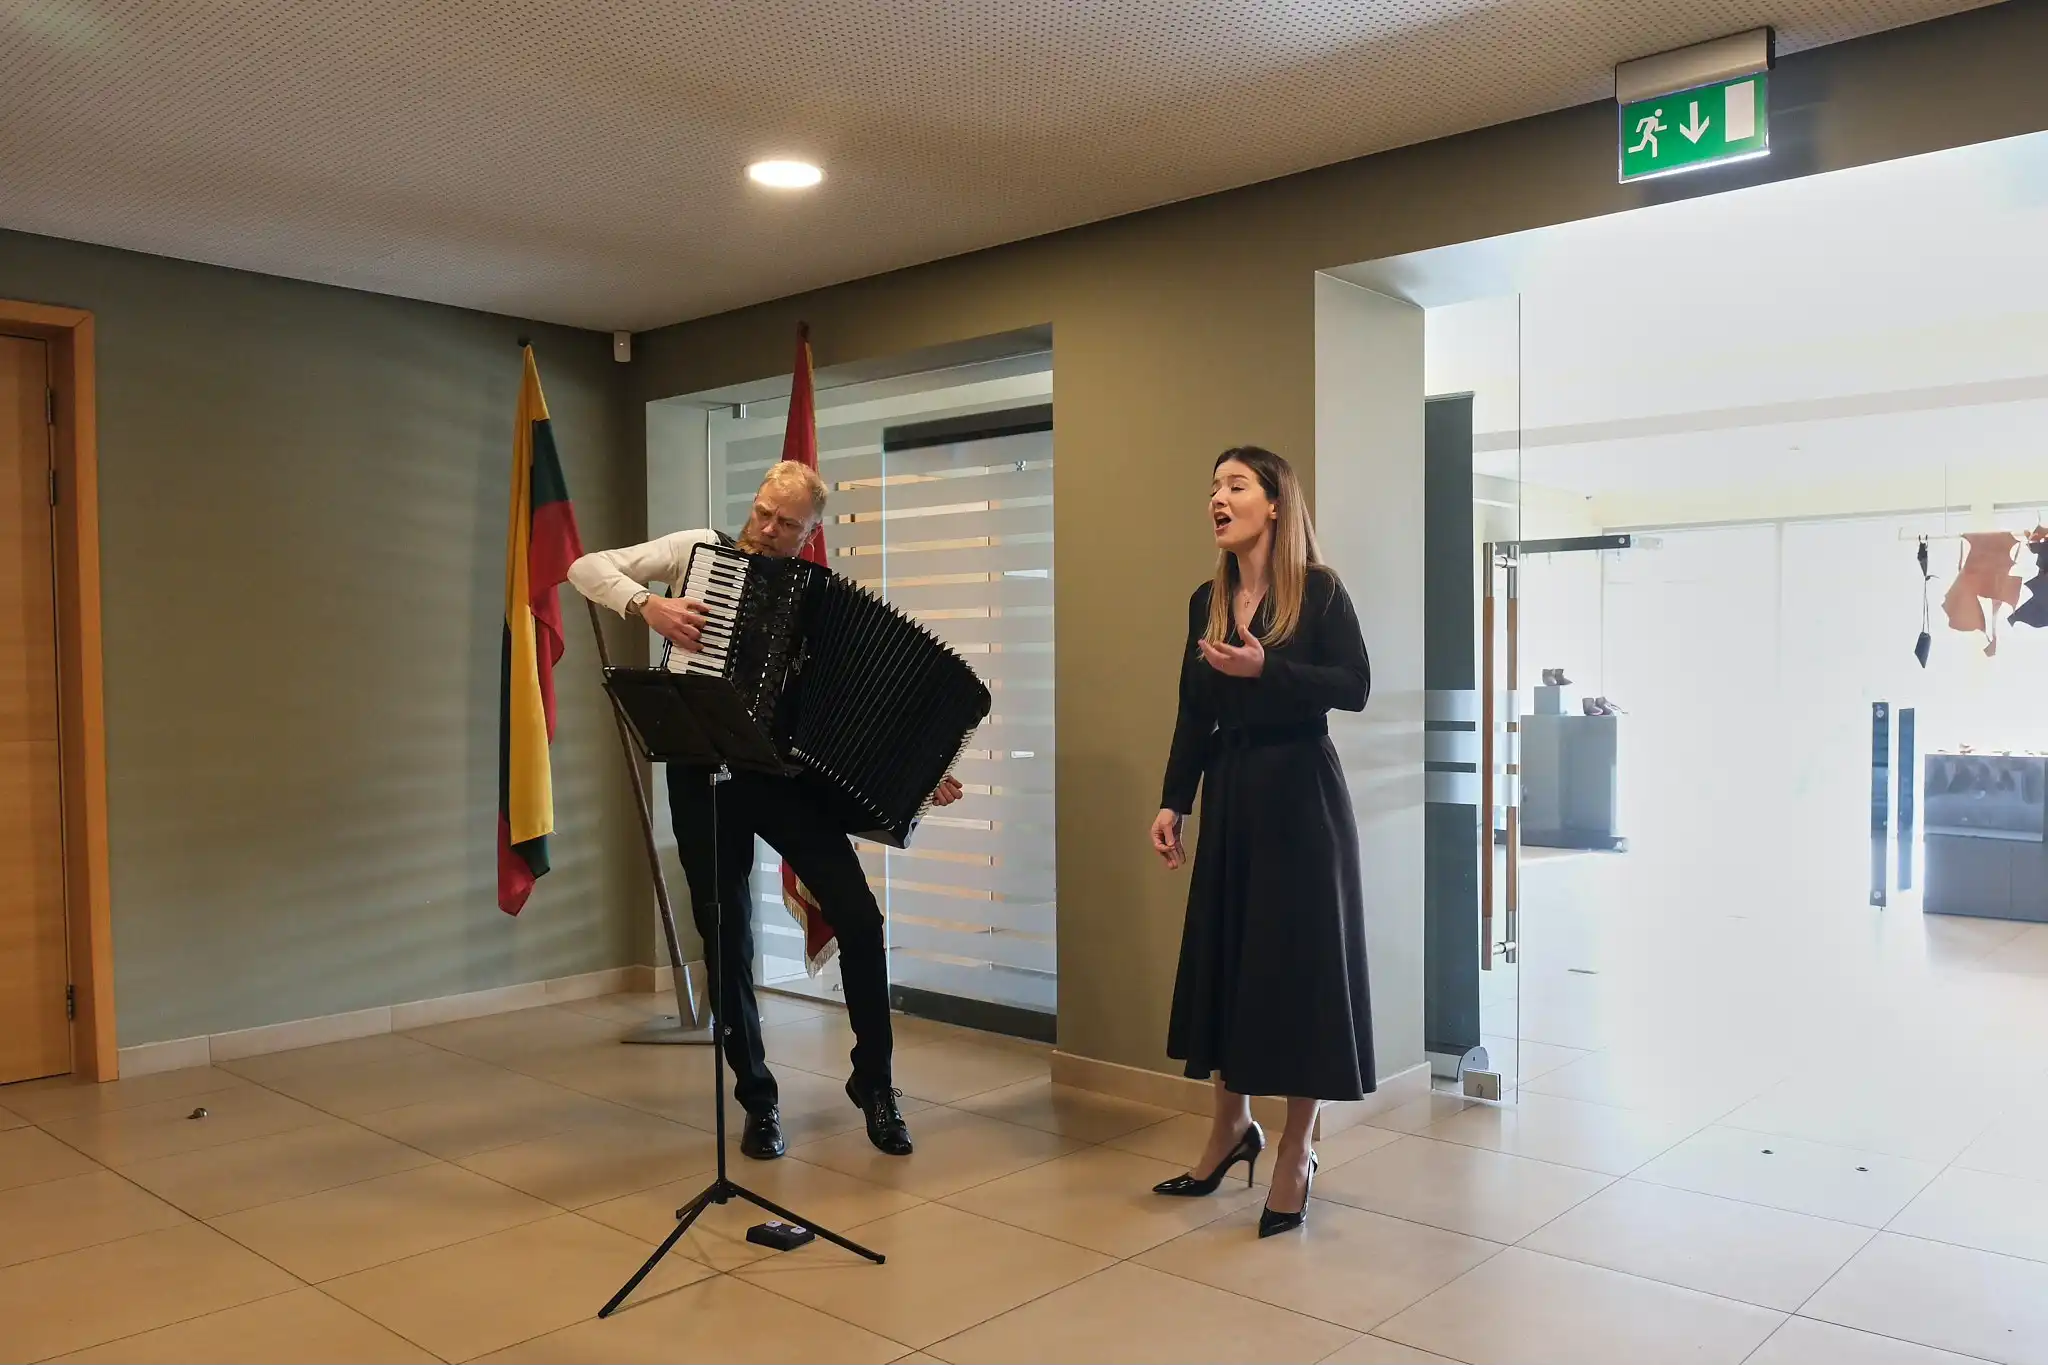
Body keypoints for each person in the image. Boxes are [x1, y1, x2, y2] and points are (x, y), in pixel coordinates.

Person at [569, 460, 962, 1160]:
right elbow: (585, 567)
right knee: (727, 936)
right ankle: (758, 1099)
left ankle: (874, 1082)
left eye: (787, 524)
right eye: (762, 513)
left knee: (860, 918)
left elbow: (861, 705)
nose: (768, 529)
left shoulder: (820, 598)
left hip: (786, 780)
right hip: (703, 770)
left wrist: (920, 774)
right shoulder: (698, 551)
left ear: (810, 534)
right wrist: (649, 606)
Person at [1148, 445, 1374, 1238]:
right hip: (1233, 792)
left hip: (1302, 796)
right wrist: (1174, 799)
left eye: (1236, 485)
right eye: (1214, 485)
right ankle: (1229, 1127)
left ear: (1274, 502)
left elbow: (1354, 684)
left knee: (1298, 972)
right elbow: (1192, 711)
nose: (1218, 497)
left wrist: (1265, 669)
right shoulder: (1204, 600)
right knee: (1229, 959)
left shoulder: (1320, 591)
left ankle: (1296, 1147)